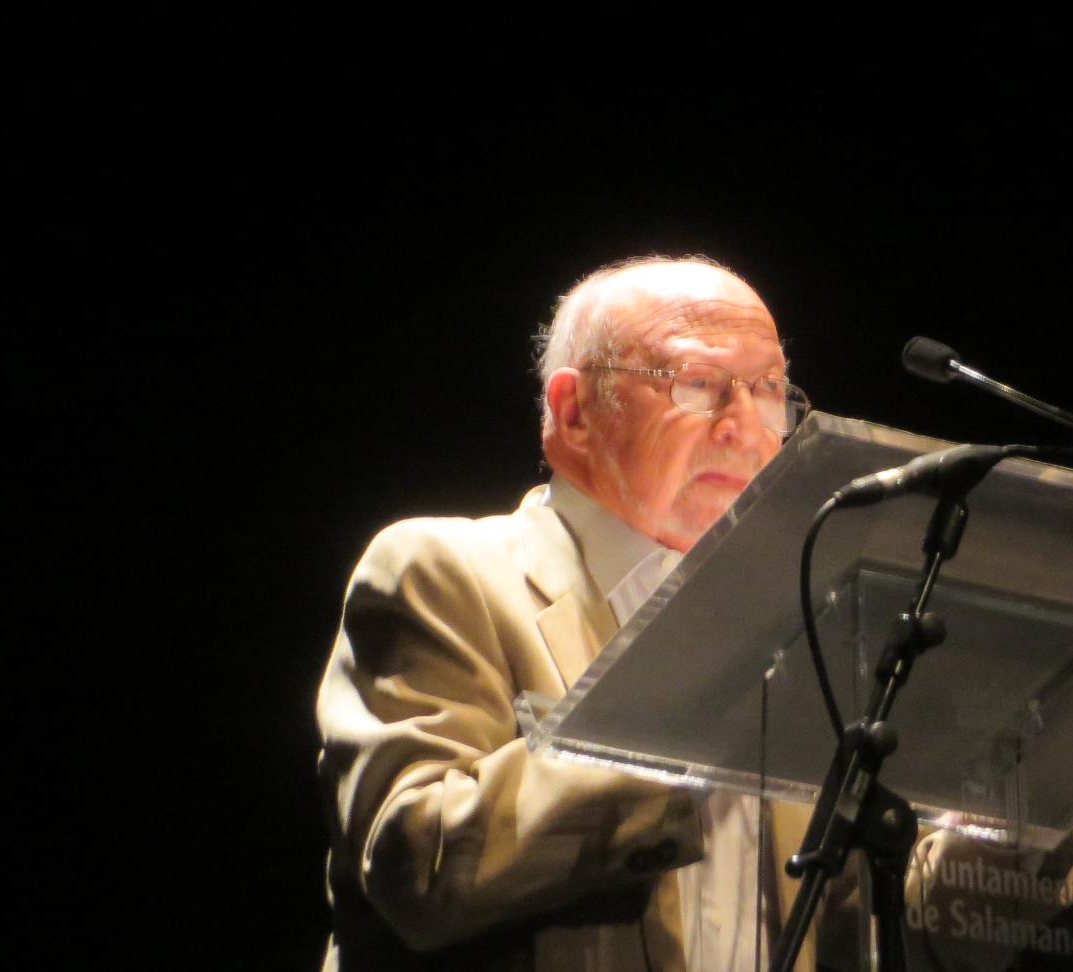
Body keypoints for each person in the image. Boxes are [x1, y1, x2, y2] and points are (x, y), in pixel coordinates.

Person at [316, 256, 826, 971]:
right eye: (699, 384)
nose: (744, 426)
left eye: (769, 389)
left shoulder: (802, 625)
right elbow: (418, 864)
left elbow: (857, 911)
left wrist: (1014, 854)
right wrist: (687, 709)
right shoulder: (441, 572)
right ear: (575, 413)